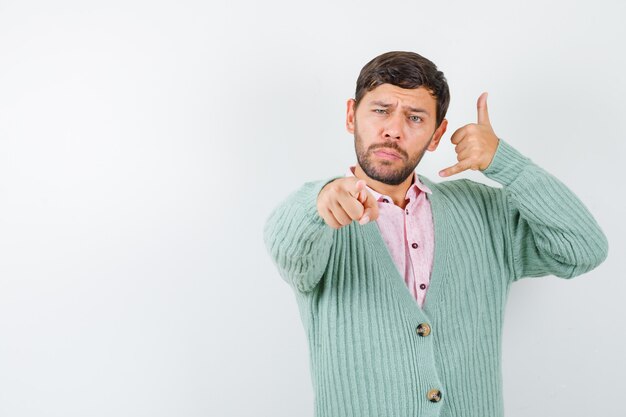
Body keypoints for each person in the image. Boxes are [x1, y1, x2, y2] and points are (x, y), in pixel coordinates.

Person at [263, 51, 609, 417]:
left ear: (436, 134)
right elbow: (289, 252)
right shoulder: (323, 214)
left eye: (414, 117)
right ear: (352, 116)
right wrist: (318, 202)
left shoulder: (484, 212)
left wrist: (506, 163)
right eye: (380, 110)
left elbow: (583, 249)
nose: (393, 129)